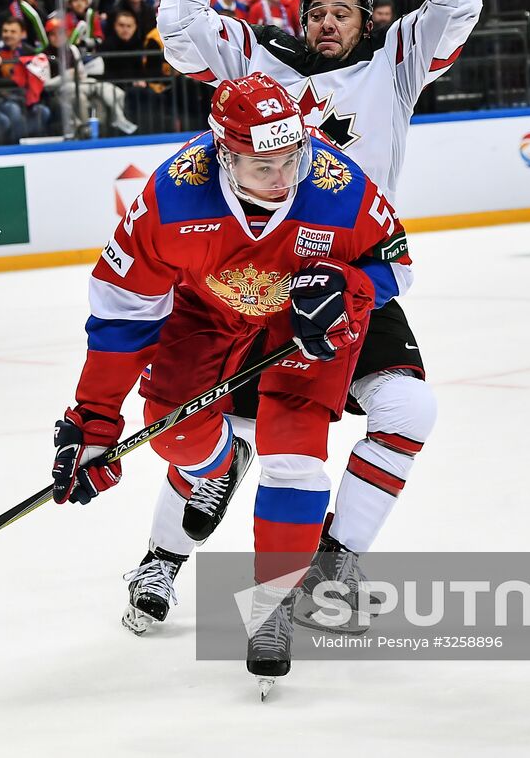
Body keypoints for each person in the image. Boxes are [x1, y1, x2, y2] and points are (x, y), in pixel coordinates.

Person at [155, 0, 480, 636]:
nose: (327, 22)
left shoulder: (394, 64)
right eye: (317, 10)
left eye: (343, 11)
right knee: (222, 434)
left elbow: (458, 4)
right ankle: (161, 561)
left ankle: (333, 561)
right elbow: (178, 29)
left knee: (408, 407)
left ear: (370, 20)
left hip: (353, 279)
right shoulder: (256, 65)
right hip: (251, 282)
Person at [50, 73, 412, 689]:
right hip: (206, 310)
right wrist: (95, 419)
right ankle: (217, 464)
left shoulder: (337, 187)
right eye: (263, 164)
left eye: (291, 158)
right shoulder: (170, 198)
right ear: (223, 151)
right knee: (169, 425)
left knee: (296, 457)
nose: (284, 177)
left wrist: (349, 289)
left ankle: (273, 607)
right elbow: (121, 315)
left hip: (302, 323)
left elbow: (395, 264)